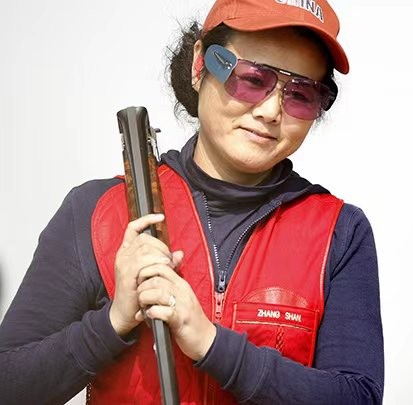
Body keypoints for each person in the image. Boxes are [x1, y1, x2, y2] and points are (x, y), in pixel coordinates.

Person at [0, 0, 384, 403]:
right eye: (253, 79)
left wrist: (212, 345)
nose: (271, 111)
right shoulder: (97, 211)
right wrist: (114, 321)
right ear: (200, 65)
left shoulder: (340, 232)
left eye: (301, 94)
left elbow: (357, 396)